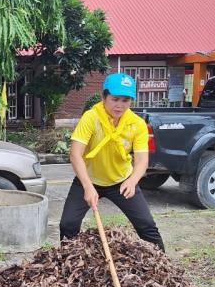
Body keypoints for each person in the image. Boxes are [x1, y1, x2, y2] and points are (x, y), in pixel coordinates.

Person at [59, 72, 165, 251]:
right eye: (115, 99)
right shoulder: (91, 118)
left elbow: (141, 160)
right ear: (104, 96)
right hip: (88, 180)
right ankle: (66, 262)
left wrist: (132, 181)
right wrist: (87, 186)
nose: (120, 105)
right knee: (68, 224)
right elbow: (76, 155)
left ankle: (164, 267)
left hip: (121, 181)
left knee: (147, 226)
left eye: (125, 100)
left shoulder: (137, 124)